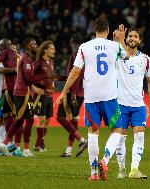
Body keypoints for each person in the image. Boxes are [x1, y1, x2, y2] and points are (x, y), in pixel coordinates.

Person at [55, 17, 129, 181]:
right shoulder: (115, 46)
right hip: (109, 97)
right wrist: (121, 40)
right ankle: (106, 159)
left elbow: (75, 72)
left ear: (94, 29)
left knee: (93, 133)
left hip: (91, 98)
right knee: (117, 130)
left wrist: (63, 92)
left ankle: (93, 174)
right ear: (108, 30)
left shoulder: (84, 47)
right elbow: (127, 58)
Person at [114, 28, 150, 179]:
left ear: (139, 41)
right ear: (126, 39)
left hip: (138, 106)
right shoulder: (118, 55)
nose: (132, 38)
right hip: (120, 105)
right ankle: (121, 170)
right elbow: (114, 48)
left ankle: (134, 170)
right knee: (120, 139)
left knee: (140, 137)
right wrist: (117, 39)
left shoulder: (145, 59)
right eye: (130, 36)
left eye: (135, 36)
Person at [0, 38, 46, 157]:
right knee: (28, 119)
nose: (36, 45)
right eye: (33, 44)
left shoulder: (29, 59)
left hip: (23, 92)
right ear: (28, 46)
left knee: (20, 119)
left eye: (36, 43)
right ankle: (23, 149)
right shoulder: (26, 59)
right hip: (22, 93)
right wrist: (38, 84)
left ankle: (6, 144)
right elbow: (28, 78)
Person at [0, 39, 22, 155]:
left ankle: (4, 145)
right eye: (9, 47)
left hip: (9, 92)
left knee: (5, 121)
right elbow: (0, 69)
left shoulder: (11, 58)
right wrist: (14, 70)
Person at [57, 33, 87, 158]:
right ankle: (68, 151)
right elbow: (74, 75)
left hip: (73, 92)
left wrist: (73, 92)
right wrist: (60, 77)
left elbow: (75, 75)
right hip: (81, 93)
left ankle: (82, 141)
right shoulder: (85, 55)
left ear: (72, 41)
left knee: (60, 117)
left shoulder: (76, 54)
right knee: (73, 120)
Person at [33, 40, 57, 152]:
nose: (54, 51)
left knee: (47, 121)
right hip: (40, 95)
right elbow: (27, 76)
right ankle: (39, 145)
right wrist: (34, 88)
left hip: (49, 95)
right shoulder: (38, 63)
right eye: (52, 49)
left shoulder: (51, 62)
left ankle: (40, 143)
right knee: (41, 120)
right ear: (45, 50)